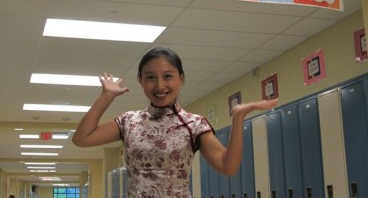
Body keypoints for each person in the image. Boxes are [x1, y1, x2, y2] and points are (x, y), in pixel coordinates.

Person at [72, 47, 278, 197]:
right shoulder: (129, 121)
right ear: (140, 80)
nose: (159, 85)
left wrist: (238, 119)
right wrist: (106, 97)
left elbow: (228, 166)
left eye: (168, 76)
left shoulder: (194, 124)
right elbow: (82, 139)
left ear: (181, 78)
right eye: (150, 77)